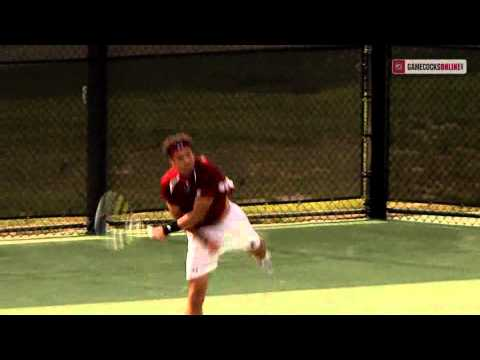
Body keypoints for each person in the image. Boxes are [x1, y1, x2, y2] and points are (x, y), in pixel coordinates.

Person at [149, 133, 272, 315]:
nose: (186, 161)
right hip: (199, 228)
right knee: (196, 295)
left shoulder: (207, 171)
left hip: (227, 219)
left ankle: (260, 253)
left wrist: (166, 229)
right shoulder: (168, 184)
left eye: (189, 155)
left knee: (256, 247)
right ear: (172, 162)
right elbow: (181, 218)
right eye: (180, 158)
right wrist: (204, 240)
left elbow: (197, 214)